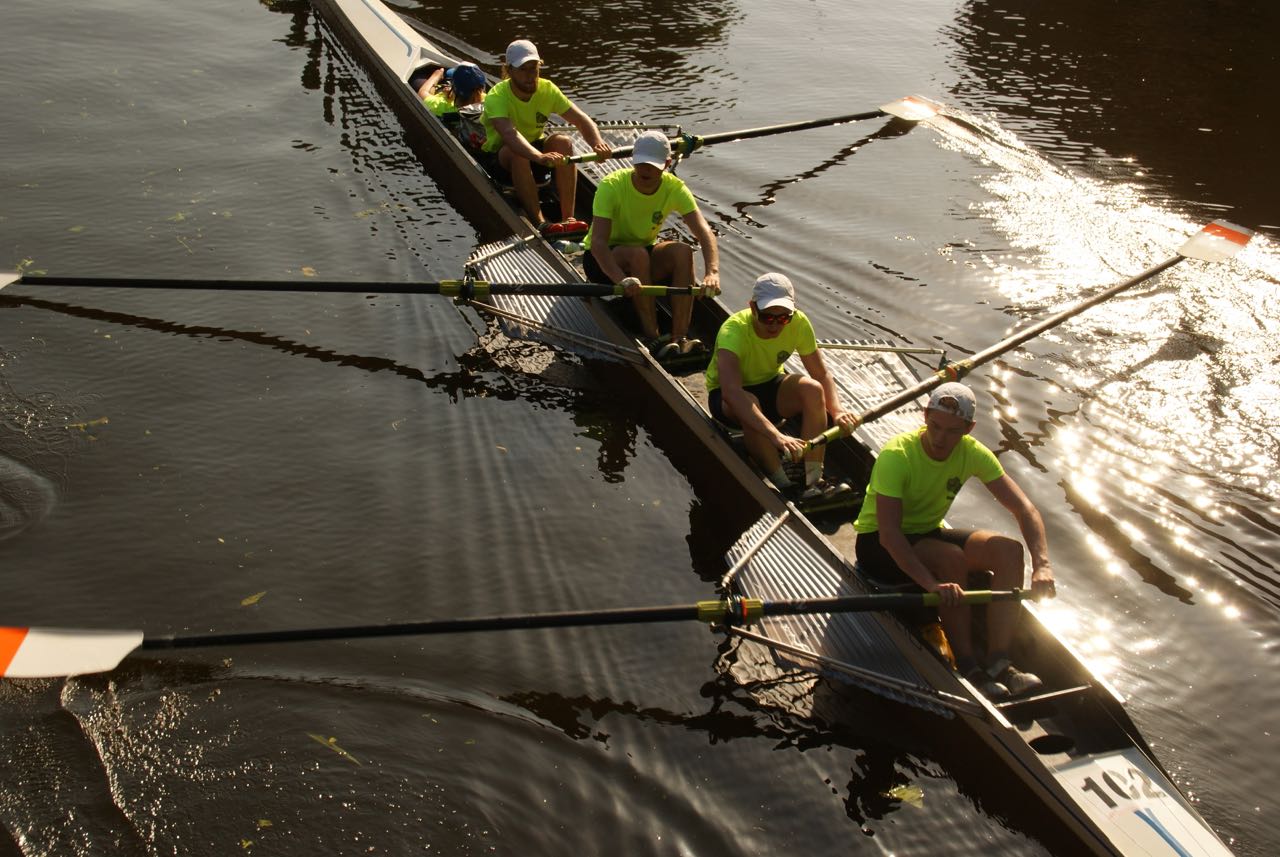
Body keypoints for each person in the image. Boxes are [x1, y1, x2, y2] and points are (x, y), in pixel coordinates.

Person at [851, 381, 1056, 700]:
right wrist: (931, 585)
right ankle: (969, 665)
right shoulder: (897, 455)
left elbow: (1025, 509)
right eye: (935, 426)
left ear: (969, 428)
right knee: (951, 560)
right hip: (877, 544)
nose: (940, 439)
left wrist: (1042, 566)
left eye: (952, 431)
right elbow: (890, 535)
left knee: (1009, 551)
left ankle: (999, 662)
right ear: (925, 416)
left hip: (927, 533)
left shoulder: (972, 454)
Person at [706, 272, 857, 502]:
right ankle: (785, 485)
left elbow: (821, 373)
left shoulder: (799, 323)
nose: (776, 325)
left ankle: (813, 479)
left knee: (813, 389)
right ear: (753, 307)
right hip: (727, 400)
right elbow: (732, 393)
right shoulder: (733, 331)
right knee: (750, 404)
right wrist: (777, 437)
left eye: (784, 318)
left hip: (770, 385)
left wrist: (837, 411)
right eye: (768, 317)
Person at [582, 130, 720, 356]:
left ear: (666, 163)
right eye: (641, 163)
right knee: (638, 255)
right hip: (602, 261)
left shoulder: (674, 188)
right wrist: (621, 280)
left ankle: (679, 338)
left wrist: (712, 272)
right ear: (633, 160)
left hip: (641, 256)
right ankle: (653, 338)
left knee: (682, 251)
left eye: (653, 165)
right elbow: (598, 243)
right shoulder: (612, 186)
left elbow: (704, 233)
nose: (645, 170)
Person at [479, 39, 612, 236]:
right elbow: (510, 134)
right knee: (519, 152)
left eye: (535, 69)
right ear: (509, 70)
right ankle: (540, 223)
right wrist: (539, 157)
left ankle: (568, 218)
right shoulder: (496, 96)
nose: (531, 76)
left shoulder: (547, 89)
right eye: (524, 69)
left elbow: (582, 120)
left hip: (534, 151)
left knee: (563, 142)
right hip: (501, 157)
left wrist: (598, 144)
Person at [415, 62, 487, 117]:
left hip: (440, 99)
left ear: (455, 89)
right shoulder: (487, 101)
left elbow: (422, 93)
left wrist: (436, 76)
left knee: (418, 80)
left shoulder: (443, 107)